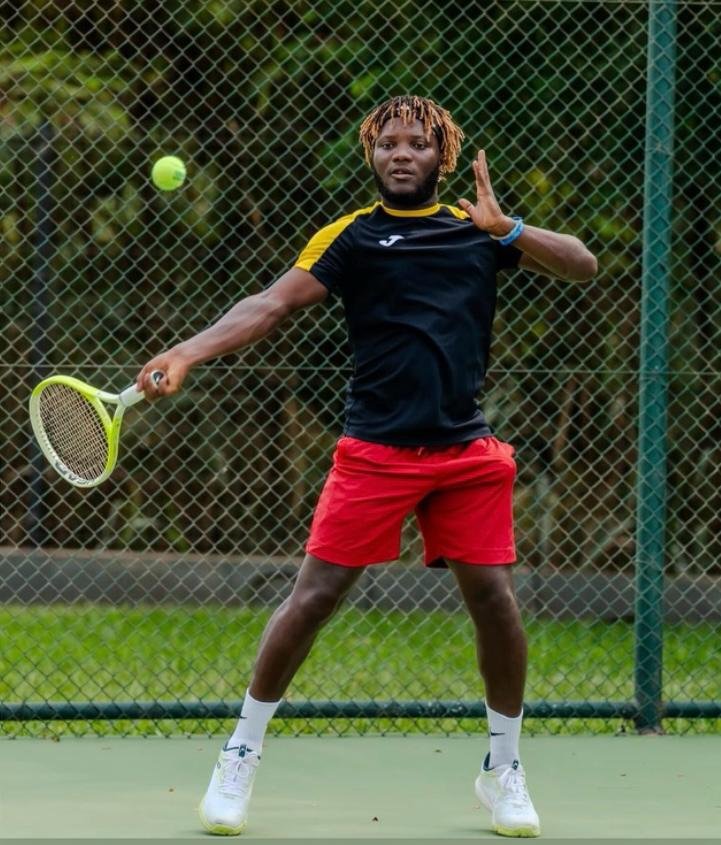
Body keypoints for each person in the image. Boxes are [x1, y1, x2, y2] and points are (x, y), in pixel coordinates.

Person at [136, 95, 597, 838]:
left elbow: (581, 263)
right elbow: (269, 305)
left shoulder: (476, 231)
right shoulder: (349, 236)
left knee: (495, 600)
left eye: (417, 143)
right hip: (375, 453)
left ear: (442, 156)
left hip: (464, 452)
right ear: (372, 155)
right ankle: (240, 753)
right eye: (388, 143)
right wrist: (188, 350)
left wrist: (507, 227)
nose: (401, 153)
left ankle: (503, 768)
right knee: (313, 598)